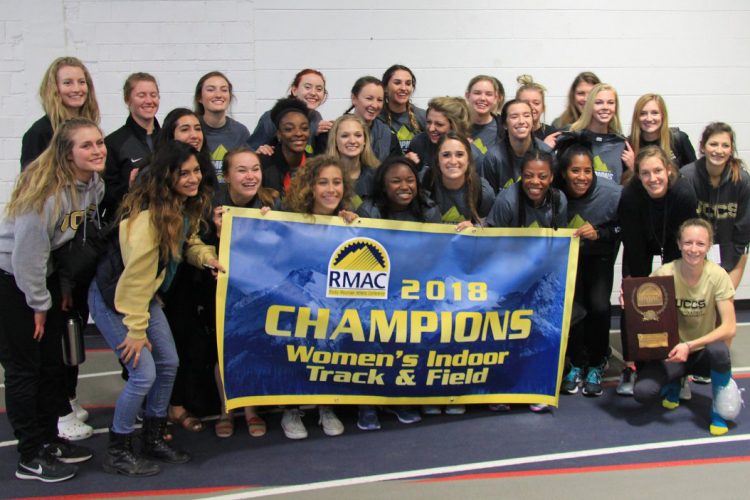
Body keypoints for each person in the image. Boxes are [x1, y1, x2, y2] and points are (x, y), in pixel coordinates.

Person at [89, 140, 222, 476]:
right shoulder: (148, 220)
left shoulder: (182, 207)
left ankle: (152, 439)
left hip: (142, 294)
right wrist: (135, 330)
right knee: (143, 372)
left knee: (169, 362)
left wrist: (206, 257)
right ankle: (118, 448)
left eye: (195, 171)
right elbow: (132, 281)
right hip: (115, 297)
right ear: (167, 178)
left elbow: (187, 242)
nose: (193, 179)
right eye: (183, 174)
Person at [1, 118, 105, 482]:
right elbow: (26, 255)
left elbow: (65, 244)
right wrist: (38, 304)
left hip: (42, 279)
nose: (97, 150)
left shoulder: (93, 185)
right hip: (13, 280)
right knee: (24, 370)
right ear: (67, 153)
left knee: (51, 367)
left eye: (99, 142)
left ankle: (48, 441)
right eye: (87, 145)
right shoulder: (45, 192)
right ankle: (29, 455)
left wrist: (59, 288)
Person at [633, 218, 743, 436]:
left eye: (700, 244)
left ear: (709, 246)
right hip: (673, 352)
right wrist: (630, 298)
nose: (694, 249)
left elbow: (729, 327)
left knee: (719, 351)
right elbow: (642, 311)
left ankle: (718, 409)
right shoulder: (665, 272)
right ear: (679, 243)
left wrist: (690, 345)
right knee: (643, 392)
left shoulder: (717, 276)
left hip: (702, 352)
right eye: (688, 243)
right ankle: (676, 382)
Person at [281, 155, 356, 439]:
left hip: (332, 304)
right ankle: (290, 408)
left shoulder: (348, 222)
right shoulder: (291, 220)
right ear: (310, 186)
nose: (330, 189)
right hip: (297, 300)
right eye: (323, 182)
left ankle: (326, 405)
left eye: (337, 183)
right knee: (294, 349)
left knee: (328, 349)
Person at [208, 148, 280, 438]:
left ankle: (252, 409)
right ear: (226, 176)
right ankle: (227, 409)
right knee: (225, 350)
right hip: (221, 289)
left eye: (255, 169)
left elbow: (286, 245)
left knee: (253, 347)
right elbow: (196, 249)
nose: (251, 176)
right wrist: (216, 232)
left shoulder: (272, 202)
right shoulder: (213, 206)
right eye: (241, 170)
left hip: (259, 290)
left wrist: (271, 226)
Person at [616, 146, 698, 395]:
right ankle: (634, 365)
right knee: (632, 297)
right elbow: (632, 245)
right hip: (640, 238)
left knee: (672, 296)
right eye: (646, 173)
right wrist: (629, 282)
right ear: (638, 176)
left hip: (673, 239)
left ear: (668, 169)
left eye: (658, 171)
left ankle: (677, 367)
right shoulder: (630, 197)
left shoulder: (684, 193)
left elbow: (682, 242)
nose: (653, 179)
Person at [554, 134, 622, 397]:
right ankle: (575, 363)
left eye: (587, 171)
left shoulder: (612, 194)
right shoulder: (555, 194)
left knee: (599, 307)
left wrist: (600, 232)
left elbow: (622, 226)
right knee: (574, 311)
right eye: (575, 171)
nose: (581, 177)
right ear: (564, 172)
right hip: (566, 261)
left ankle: (596, 362)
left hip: (599, 258)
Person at [681, 123, 750, 289]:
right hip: (691, 258)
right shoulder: (686, 177)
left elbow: (743, 234)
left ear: (731, 149)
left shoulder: (742, 180)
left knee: (723, 305)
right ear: (703, 147)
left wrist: (730, 276)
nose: (719, 150)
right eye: (713, 144)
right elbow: (681, 228)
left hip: (730, 261)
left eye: (725, 145)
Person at [21, 56, 100, 169]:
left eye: (81, 82)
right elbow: (30, 182)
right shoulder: (39, 132)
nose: (77, 89)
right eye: (68, 83)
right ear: (54, 88)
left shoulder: (90, 128)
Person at [102, 72, 161, 218]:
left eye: (153, 95)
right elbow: (104, 195)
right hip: (129, 225)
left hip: (165, 223)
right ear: (127, 100)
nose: (149, 100)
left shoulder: (169, 139)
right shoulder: (113, 143)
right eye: (141, 95)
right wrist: (128, 186)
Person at [247, 69, 332, 153]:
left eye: (319, 89)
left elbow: (308, 150)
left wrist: (318, 137)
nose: (313, 93)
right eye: (307, 87)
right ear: (294, 90)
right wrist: (258, 151)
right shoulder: (272, 117)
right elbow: (249, 150)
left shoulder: (316, 117)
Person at [422, 131, 495, 226]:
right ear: (437, 160)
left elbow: (490, 227)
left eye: (459, 155)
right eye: (446, 155)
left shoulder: (483, 191)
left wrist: (476, 228)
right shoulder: (425, 182)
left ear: (468, 159)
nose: (453, 161)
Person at [480, 99, 552, 194]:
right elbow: (488, 197)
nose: (521, 121)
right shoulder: (493, 158)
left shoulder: (546, 152)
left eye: (526, 116)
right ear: (505, 124)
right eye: (514, 117)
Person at [486, 149, 567, 230]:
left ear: (551, 177)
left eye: (542, 177)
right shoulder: (506, 201)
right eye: (528, 176)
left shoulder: (558, 200)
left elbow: (560, 238)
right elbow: (494, 239)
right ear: (521, 175)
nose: (535, 181)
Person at [569, 83, 632, 184]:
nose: (605, 107)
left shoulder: (622, 144)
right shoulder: (574, 139)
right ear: (590, 106)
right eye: (598, 102)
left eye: (610, 102)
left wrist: (633, 168)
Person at [194, 71, 251, 182]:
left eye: (224, 90)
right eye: (211, 90)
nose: (218, 95)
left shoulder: (240, 132)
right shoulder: (192, 131)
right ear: (199, 97)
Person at [357, 156, 441, 223]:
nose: (404, 187)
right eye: (396, 181)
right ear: (383, 186)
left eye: (410, 180)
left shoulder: (429, 210)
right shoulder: (368, 212)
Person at [623, 94, 696, 171]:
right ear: (636, 117)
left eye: (654, 113)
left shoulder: (679, 139)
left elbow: (693, 176)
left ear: (662, 115)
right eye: (643, 113)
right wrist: (633, 168)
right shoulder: (629, 146)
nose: (649, 118)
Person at [406, 96, 477, 173]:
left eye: (439, 124)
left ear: (454, 126)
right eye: (429, 122)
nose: (431, 129)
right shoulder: (419, 143)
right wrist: (407, 165)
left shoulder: (470, 153)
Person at [326, 114, 381, 209]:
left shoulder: (378, 176)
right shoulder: (322, 176)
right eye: (345, 136)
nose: (352, 141)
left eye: (358, 135)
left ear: (365, 140)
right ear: (335, 140)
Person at [341, 76, 401, 162]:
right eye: (369, 98)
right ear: (354, 98)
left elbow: (394, 170)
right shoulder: (334, 131)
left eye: (380, 100)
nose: (375, 105)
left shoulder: (388, 136)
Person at [259, 98, 310, 197]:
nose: (299, 133)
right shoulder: (263, 165)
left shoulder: (316, 165)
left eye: (304, 128)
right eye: (289, 129)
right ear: (279, 134)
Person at [380, 64, 426, 152]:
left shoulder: (423, 117)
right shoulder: (377, 118)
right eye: (397, 83)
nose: (403, 88)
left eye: (408, 83)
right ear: (385, 87)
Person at [465, 75, 504, 155]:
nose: (482, 98)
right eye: (477, 93)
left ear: (496, 98)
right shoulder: (456, 127)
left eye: (489, 94)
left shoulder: (505, 129)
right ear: (467, 96)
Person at [515, 74, 558, 142]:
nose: (531, 107)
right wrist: (544, 147)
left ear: (543, 107)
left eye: (536, 103)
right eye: (525, 103)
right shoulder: (509, 134)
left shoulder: (552, 134)